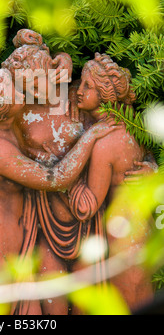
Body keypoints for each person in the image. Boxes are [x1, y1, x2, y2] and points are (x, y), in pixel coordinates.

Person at [0, 68, 120, 314]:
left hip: (11, 254)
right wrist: (90, 136)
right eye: (16, 89)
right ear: (6, 106)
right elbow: (55, 178)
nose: (22, 87)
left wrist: (69, 80)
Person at [67, 52, 155, 311]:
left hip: (122, 238)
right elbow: (147, 154)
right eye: (79, 84)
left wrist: (66, 178)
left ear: (104, 95)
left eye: (87, 87)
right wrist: (151, 166)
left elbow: (87, 206)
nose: (79, 91)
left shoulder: (104, 144)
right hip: (143, 230)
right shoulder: (132, 125)